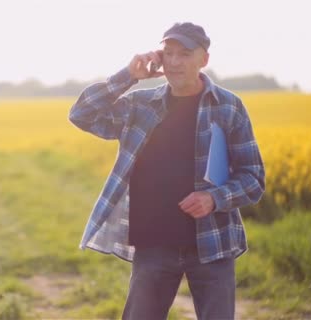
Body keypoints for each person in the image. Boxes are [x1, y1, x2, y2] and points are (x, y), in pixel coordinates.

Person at [68, 22, 265, 320]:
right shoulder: (140, 105)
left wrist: (214, 198)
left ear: (204, 60)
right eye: (168, 53)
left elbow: (253, 179)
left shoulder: (229, 107)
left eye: (184, 54)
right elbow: (81, 114)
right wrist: (128, 76)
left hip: (212, 243)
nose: (174, 62)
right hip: (154, 243)